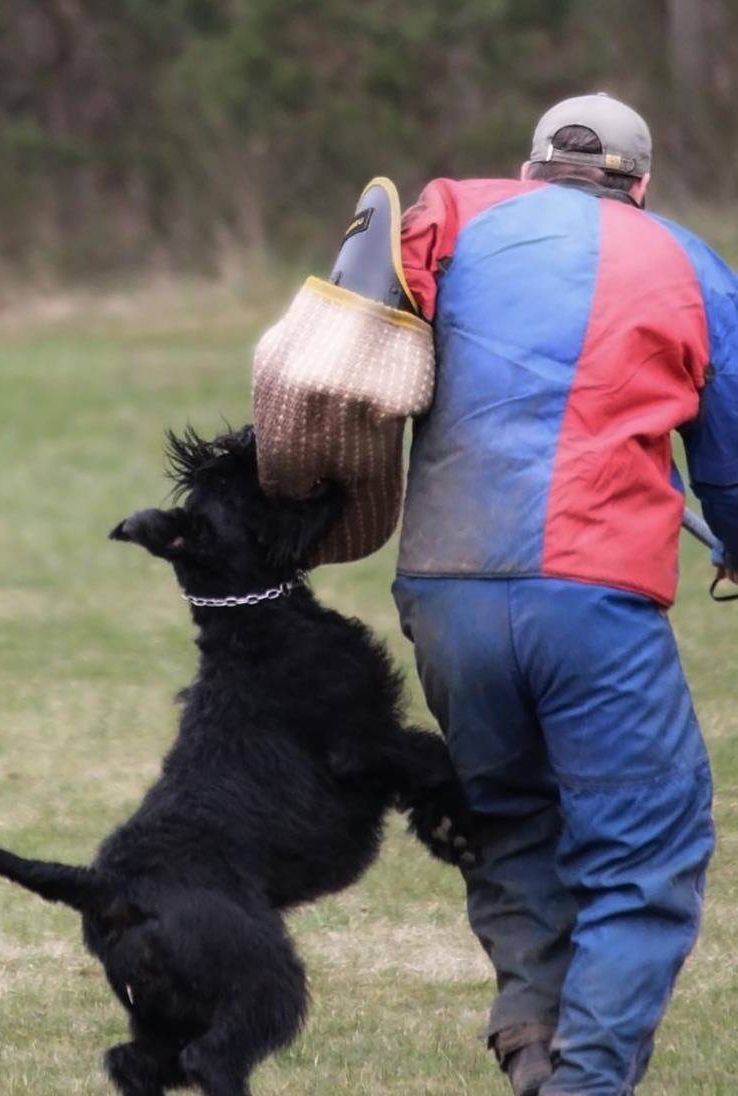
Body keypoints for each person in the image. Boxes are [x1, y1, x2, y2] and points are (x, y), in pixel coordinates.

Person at [391, 93, 738, 1095]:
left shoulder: (455, 217)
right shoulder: (689, 262)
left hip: (444, 585)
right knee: (645, 849)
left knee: (510, 828)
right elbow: (729, 470)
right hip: (590, 593)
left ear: (533, 167)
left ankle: (532, 1043)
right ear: (642, 183)